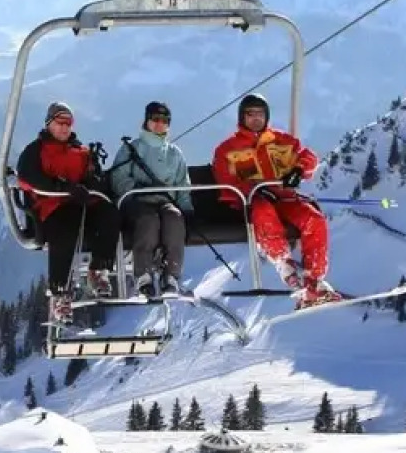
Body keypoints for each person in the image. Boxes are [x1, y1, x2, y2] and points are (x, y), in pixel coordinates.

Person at [211, 93, 343, 309]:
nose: (256, 118)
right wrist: (256, 191)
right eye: (250, 114)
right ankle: (286, 266)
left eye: (260, 114)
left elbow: (309, 157)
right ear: (242, 117)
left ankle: (314, 280)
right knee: (264, 211)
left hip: (286, 200)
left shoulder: (281, 141)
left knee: (314, 218)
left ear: (267, 116)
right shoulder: (228, 149)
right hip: (254, 203)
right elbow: (226, 183)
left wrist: (299, 170)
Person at [15, 101, 120, 317]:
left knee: (109, 214)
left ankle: (99, 269)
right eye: (59, 122)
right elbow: (27, 178)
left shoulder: (81, 151)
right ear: (49, 124)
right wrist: (62, 187)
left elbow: (95, 179)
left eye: (68, 123)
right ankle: (59, 290)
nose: (64, 127)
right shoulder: (35, 151)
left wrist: (92, 181)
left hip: (82, 205)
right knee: (66, 225)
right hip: (52, 207)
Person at [108, 100, 192, 297]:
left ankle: (171, 274)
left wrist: (187, 209)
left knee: (174, 218)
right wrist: (137, 189)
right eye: (155, 119)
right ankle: (143, 275)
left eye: (164, 120)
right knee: (148, 221)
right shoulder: (132, 149)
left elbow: (182, 184)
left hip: (165, 202)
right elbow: (118, 178)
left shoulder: (174, 153)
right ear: (146, 121)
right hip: (137, 202)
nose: (159, 124)